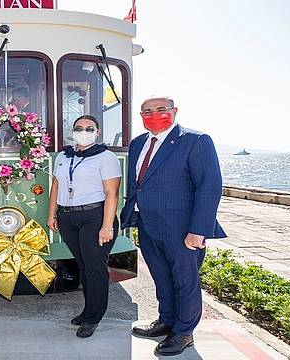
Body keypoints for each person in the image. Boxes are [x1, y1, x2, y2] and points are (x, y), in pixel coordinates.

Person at [120, 96, 225, 356]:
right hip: (148, 225)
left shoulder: (196, 141)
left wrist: (198, 230)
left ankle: (184, 333)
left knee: (185, 280)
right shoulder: (138, 143)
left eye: (161, 110)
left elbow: (209, 187)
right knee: (161, 277)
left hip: (182, 228)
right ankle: (166, 320)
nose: (153, 115)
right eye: (146, 111)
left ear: (174, 111)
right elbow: (137, 184)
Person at [46, 115, 121, 338]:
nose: (84, 131)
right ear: (73, 131)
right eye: (79, 128)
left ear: (97, 132)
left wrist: (107, 226)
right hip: (68, 218)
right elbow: (56, 186)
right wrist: (52, 214)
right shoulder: (63, 155)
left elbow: (112, 193)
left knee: (95, 268)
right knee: (83, 265)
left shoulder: (106, 157)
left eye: (89, 128)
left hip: (95, 216)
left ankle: (93, 317)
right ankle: (89, 310)